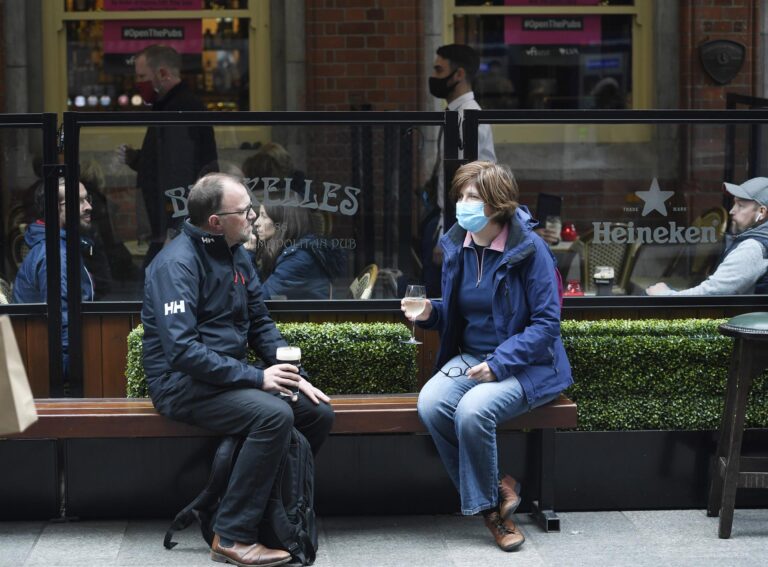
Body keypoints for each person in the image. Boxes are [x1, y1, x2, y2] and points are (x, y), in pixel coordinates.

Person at [141, 173, 334, 566]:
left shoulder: (236, 253)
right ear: (216, 221)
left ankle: (265, 510)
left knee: (316, 413)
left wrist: (293, 374)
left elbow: (261, 323)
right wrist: (258, 378)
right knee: (274, 415)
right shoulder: (175, 265)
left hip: (225, 377)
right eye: (244, 210)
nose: (251, 215)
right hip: (181, 384)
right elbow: (182, 352)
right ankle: (231, 534)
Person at [404, 161, 573, 552]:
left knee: (472, 411)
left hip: (529, 365)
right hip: (473, 356)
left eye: (473, 198)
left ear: (498, 205)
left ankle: (494, 516)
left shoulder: (531, 251)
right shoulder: (458, 245)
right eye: (461, 196)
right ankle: (498, 489)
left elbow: (547, 325)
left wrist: (499, 364)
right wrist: (433, 313)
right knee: (431, 404)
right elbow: (461, 310)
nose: (463, 204)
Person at [119, 44, 218, 267]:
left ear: (163, 73)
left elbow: (179, 171)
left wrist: (172, 229)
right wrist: (138, 159)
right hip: (171, 223)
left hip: (175, 224)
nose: (138, 83)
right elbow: (166, 162)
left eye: (142, 76)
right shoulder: (167, 106)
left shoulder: (180, 109)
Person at [423, 44, 496, 296]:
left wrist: (449, 236)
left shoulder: (468, 117)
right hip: (447, 223)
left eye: (439, 69)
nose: (434, 76)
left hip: (456, 226)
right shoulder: (457, 115)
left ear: (459, 74)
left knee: (439, 303)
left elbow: (471, 184)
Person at [13, 178, 94, 393]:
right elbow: (63, 325)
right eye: (78, 202)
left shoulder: (60, 246)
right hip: (57, 379)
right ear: (54, 209)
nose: (89, 207)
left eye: (87, 199)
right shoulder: (55, 256)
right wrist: (72, 379)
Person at [646, 177, 768, 296]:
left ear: (761, 212)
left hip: (735, 314)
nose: (732, 211)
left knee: (647, 295)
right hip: (739, 312)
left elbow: (713, 294)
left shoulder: (753, 247)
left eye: (740, 206)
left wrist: (665, 295)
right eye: (734, 204)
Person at [248, 201, 345, 300]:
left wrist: (249, 254)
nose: (256, 223)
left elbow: (259, 298)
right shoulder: (289, 251)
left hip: (313, 315)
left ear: (282, 221)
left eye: (264, 216)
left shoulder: (299, 258)